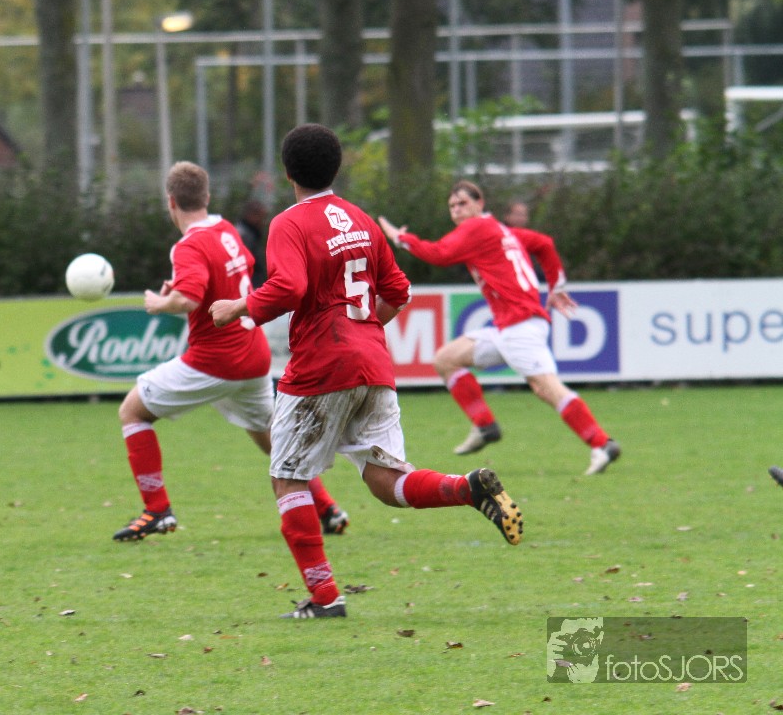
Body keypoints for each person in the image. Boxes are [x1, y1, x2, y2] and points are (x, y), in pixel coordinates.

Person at [210, 125, 523, 619]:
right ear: (336, 168)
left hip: (320, 366)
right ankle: (467, 487)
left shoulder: (289, 223)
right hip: (373, 365)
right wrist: (364, 330)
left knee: (288, 479)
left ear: (288, 173)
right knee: (385, 481)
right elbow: (399, 290)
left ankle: (324, 598)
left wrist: (238, 307)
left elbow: (288, 287)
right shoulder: (360, 219)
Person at [113, 161, 349, 541]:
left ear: (170, 201)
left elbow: (189, 299)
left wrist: (160, 303)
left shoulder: (188, 245)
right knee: (271, 438)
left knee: (132, 412)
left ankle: (157, 510)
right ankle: (327, 507)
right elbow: (233, 274)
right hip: (252, 356)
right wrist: (185, 287)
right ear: (206, 196)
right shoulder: (225, 230)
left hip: (215, 360)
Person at [377, 180, 621, 475]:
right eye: (452, 206)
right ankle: (485, 425)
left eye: (463, 203)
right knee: (446, 359)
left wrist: (400, 237)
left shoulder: (476, 228)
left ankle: (601, 443)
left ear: (480, 204)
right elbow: (544, 244)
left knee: (546, 388)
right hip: (509, 327)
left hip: (520, 327)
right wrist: (556, 286)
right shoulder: (502, 231)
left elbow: (438, 253)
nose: (456, 210)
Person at [235, 198, 269, 290]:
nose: (263, 221)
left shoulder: (253, 234)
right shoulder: (243, 235)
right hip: (247, 288)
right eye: (261, 217)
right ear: (252, 215)